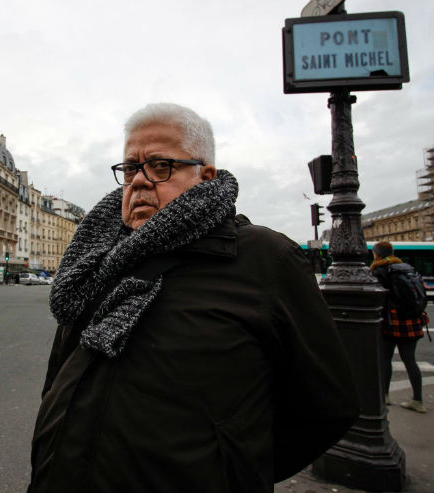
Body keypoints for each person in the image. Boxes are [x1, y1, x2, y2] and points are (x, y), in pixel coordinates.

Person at [28, 103, 359, 492]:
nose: (138, 181)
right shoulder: (96, 260)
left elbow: (327, 406)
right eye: (131, 168)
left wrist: (230, 470)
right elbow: (57, 376)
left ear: (206, 175)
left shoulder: (263, 258)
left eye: (160, 165)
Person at [370, 240, 428, 413]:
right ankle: (418, 399)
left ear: (378, 253)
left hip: (392, 320)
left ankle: (385, 396)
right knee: (410, 360)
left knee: (385, 358)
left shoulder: (380, 270)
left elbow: (377, 297)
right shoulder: (406, 268)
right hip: (413, 319)